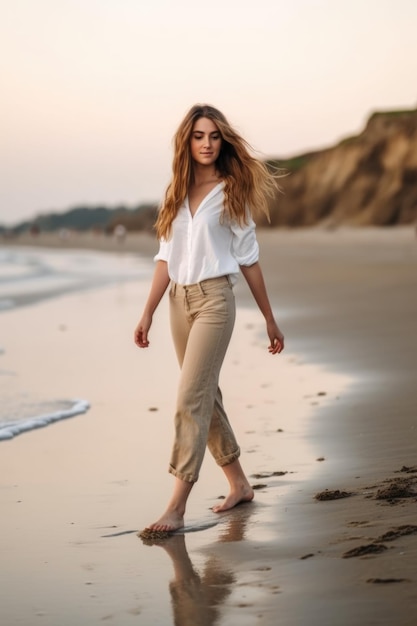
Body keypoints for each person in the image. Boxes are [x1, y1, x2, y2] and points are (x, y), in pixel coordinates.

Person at [134, 104, 284, 534]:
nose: (206, 144)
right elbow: (166, 256)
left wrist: (270, 319)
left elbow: (249, 260)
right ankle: (239, 483)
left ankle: (176, 506)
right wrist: (147, 312)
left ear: (223, 141)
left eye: (214, 136)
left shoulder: (232, 189)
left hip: (215, 300)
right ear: (188, 141)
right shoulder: (175, 191)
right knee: (205, 396)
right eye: (199, 136)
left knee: (190, 399)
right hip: (177, 303)